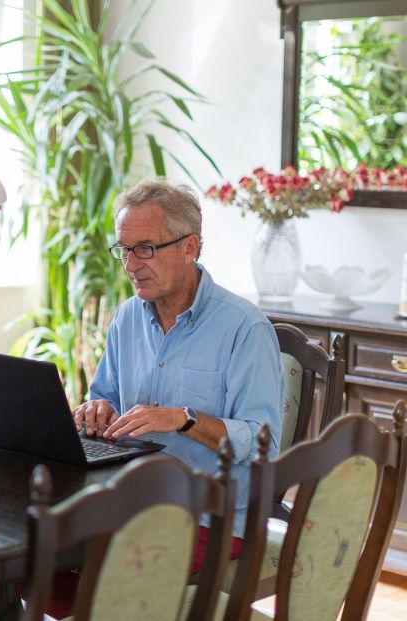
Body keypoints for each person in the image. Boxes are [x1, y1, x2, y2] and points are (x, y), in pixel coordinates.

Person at [44, 179, 283, 617]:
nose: (131, 264)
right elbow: (105, 399)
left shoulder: (244, 329)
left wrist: (184, 419)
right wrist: (96, 410)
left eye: (146, 249)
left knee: (100, 574)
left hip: (214, 515)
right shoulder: (127, 317)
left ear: (190, 247)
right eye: (124, 249)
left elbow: (261, 441)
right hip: (131, 501)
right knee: (34, 557)